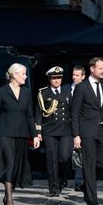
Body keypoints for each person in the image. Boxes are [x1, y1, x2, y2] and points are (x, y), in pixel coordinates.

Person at [0, 63, 40, 205]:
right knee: (9, 162)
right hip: (4, 133)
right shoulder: (2, 92)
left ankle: (7, 194)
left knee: (15, 164)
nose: (26, 76)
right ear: (15, 75)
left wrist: (34, 135)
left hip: (21, 133)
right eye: (23, 74)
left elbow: (30, 115)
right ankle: (9, 198)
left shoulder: (27, 92)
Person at [71, 57, 103, 205]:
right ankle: (92, 201)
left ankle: (85, 183)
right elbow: (75, 112)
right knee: (89, 165)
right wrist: (76, 135)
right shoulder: (81, 87)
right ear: (92, 69)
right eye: (101, 68)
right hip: (87, 131)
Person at [35, 66, 72, 197]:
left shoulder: (68, 92)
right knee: (51, 160)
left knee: (65, 158)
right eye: (54, 78)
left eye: (59, 78)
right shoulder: (44, 93)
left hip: (66, 130)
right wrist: (38, 131)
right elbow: (39, 113)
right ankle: (53, 187)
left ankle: (62, 180)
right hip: (50, 130)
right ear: (49, 79)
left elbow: (73, 110)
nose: (57, 80)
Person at [71, 65, 85, 192]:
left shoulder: (86, 89)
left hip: (82, 127)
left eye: (77, 75)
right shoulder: (66, 89)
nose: (74, 77)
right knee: (69, 156)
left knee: (81, 155)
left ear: (83, 76)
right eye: (73, 75)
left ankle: (80, 182)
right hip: (67, 127)